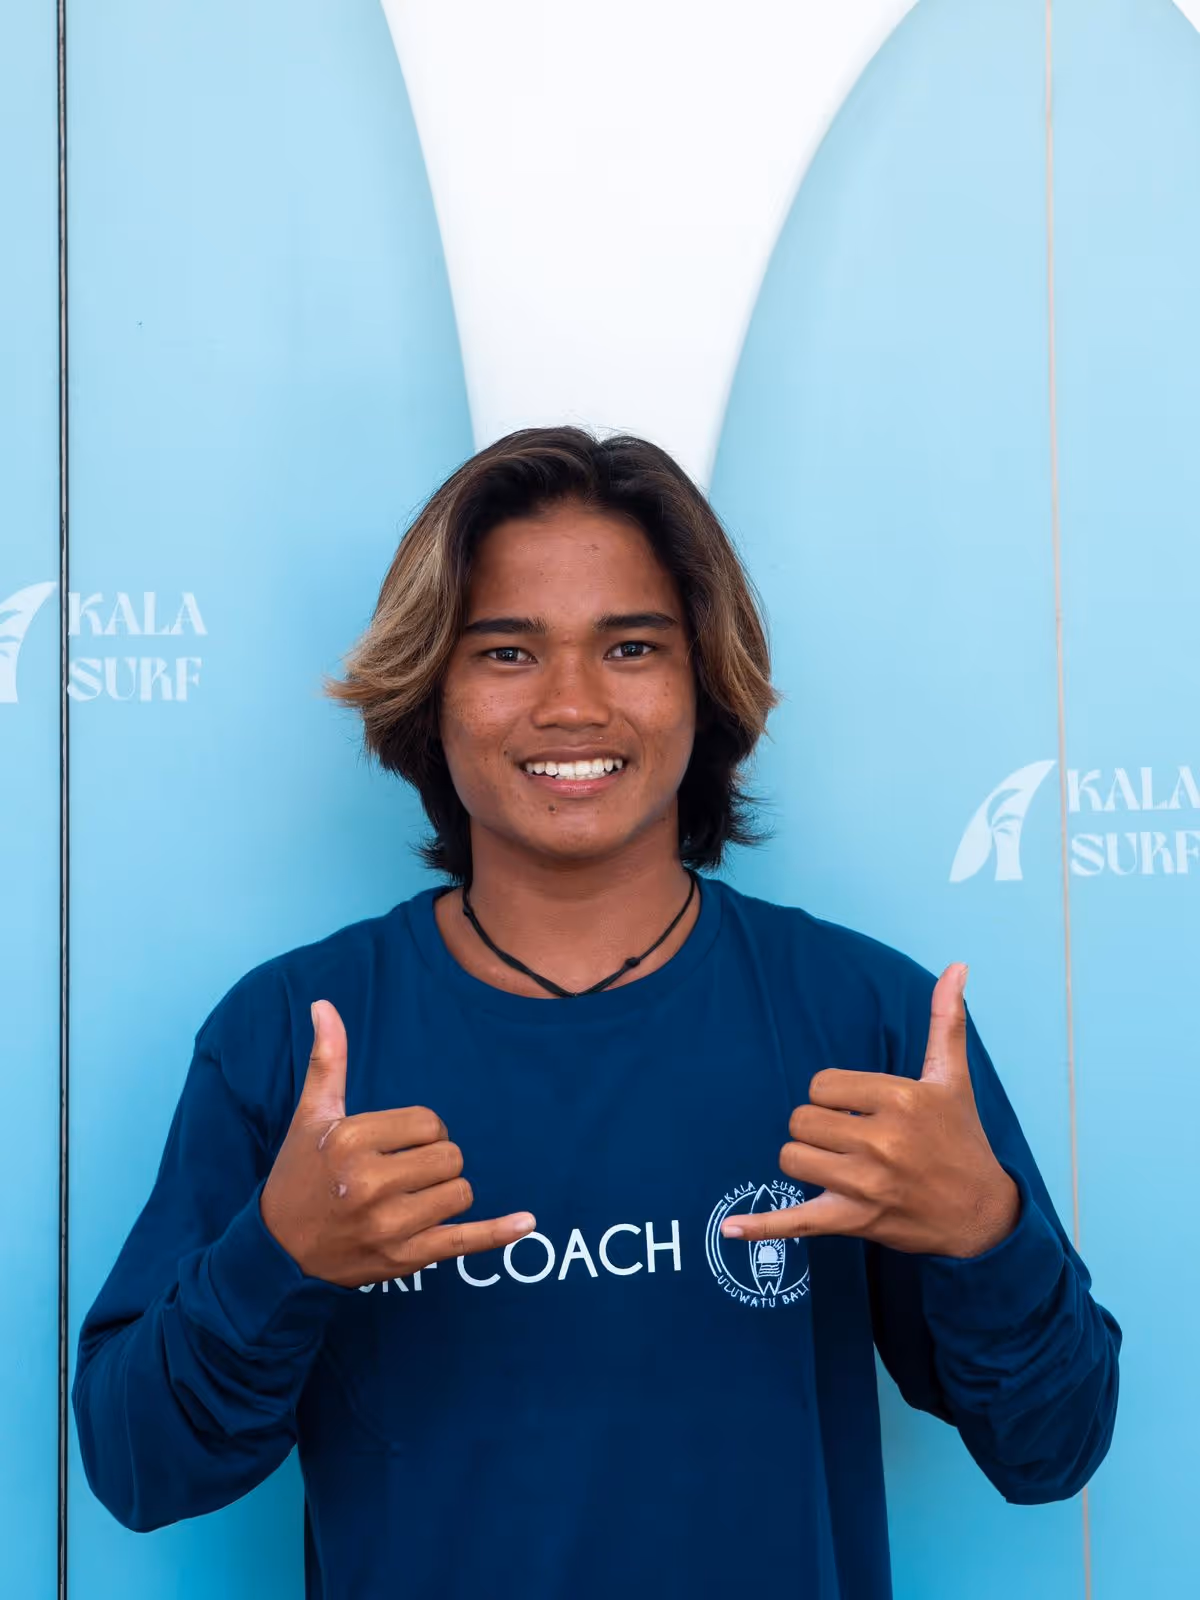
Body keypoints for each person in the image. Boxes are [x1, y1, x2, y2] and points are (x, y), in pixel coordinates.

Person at [73, 427, 1120, 1600]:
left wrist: (988, 1230)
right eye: (508, 651)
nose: (571, 704)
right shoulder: (298, 1036)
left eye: (630, 645)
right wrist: (279, 1259)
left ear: (702, 679)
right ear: (431, 684)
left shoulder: (865, 1017)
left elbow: (1053, 1450)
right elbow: (137, 1469)